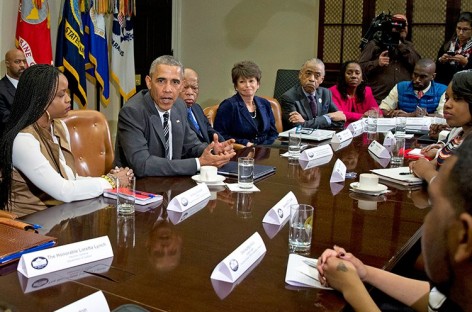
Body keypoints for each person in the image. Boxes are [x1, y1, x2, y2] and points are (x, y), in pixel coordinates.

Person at [317, 137, 472, 311]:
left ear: (464, 236)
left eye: (434, 205)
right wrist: (365, 272)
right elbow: (436, 301)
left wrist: (350, 287)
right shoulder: (462, 291)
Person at [0, 64, 133, 217]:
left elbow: (70, 178)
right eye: (61, 95)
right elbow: (64, 191)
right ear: (40, 99)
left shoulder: (58, 127)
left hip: (58, 216)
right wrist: (111, 181)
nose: (69, 99)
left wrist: (110, 179)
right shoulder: (23, 140)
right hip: (29, 226)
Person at [114, 55, 235, 177]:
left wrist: (212, 150)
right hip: (140, 187)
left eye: (175, 82)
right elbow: (142, 164)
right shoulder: (132, 112)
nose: (168, 89)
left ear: (181, 85)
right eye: (161, 81)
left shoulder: (179, 106)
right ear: (149, 82)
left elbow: (191, 145)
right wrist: (198, 163)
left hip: (172, 182)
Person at [409, 69, 472, 183]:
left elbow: (455, 189)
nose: (447, 104)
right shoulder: (458, 132)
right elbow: (437, 162)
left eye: (457, 99)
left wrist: (426, 172)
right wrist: (422, 165)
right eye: (447, 98)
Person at [213, 61, 278, 146]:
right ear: (236, 86)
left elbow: (273, 133)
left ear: (258, 84)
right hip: (240, 152)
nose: (247, 85)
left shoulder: (264, 103)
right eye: (242, 82)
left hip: (265, 151)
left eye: (251, 81)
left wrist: (267, 148)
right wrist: (244, 143)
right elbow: (220, 135)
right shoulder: (228, 106)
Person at [359, 14, 421, 104]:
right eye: (397, 23)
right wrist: (377, 63)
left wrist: (400, 46)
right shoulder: (374, 44)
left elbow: (419, 65)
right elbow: (359, 68)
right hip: (379, 98)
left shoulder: (408, 46)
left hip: (404, 99)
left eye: (405, 24)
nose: (402, 27)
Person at [280, 58, 346, 130]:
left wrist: (305, 123)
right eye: (308, 73)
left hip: (322, 138)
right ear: (300, 75)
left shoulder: (325, 93)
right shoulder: (288, 97)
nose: (312, 79)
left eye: (317, 75)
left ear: (322, 79)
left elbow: (341, 120)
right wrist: (328, 117)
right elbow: (297, 127)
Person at [379, 58, 447, 117]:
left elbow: (443, 116)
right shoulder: (401, 87)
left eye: (422, 77)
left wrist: (415, 115)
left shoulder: (442, 90)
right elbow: (382, 109)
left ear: (433, 77)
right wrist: (409, 115)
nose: (417, 80)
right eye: (415, 74)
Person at [179, 68, 224, 144]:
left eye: (194, 88)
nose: (190, 92)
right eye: (185, 87)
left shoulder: (197, 108)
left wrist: (222, 143)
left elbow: (208, 129)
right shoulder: (173, 112)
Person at [436, 12, 472, 85]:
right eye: (459, 28)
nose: (461, 33)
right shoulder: (449, 44)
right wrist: (441, 61)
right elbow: (437, 71)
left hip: (466, 87)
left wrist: (466, 63)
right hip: (446, 84)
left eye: (465, 29)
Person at [0, 49, 27, 134]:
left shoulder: (31, 85)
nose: (22, 65)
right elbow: (6, 119)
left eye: (24, 61)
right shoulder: (1, 89)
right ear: (7, 64)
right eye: (17, 62)